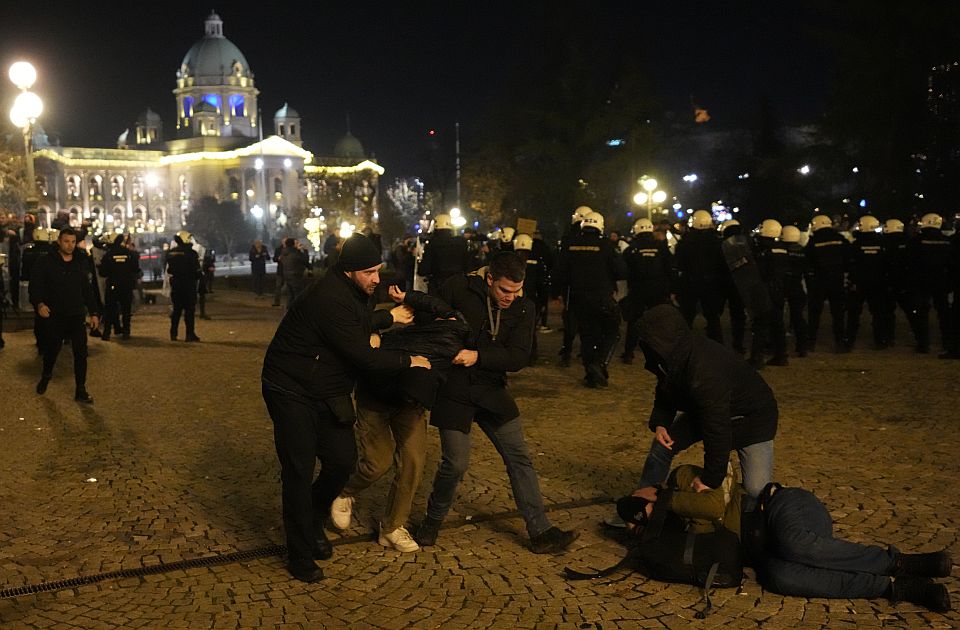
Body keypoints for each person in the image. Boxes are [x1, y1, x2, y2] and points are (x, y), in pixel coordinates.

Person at [261, 234, 432, 582]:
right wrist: (408, 359)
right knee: (298, 469)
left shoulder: (357, 292)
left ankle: (312, 520)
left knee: (341, 463)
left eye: (378, 270)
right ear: (349, 271)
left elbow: (356, 326)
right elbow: (362, 355)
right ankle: (299, 553)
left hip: (328, 388)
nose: (377, 279)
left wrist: (387, 319)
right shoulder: (329, 297)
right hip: (290, 388)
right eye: (370, 272)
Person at [618, 464, 952, 613]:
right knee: (780, 576)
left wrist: (663, 502)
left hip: (782, 507)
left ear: (653, 491)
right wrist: (651, 531)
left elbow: (715, 502)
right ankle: (897, 588)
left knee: (796, 544)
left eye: (642, 500)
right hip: (770, 553)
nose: (643, 513)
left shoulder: (684, 477)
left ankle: (902, 561)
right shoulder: (675, 533)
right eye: (637, 522)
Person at [414, 251, 578, 554]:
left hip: (491, 391)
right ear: (489, 279)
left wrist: (479, 357)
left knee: (519, 457)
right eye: (504, 290)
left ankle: (540, 530)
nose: (511, 297)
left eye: (517, 290)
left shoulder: (524, 307)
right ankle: (431, 522)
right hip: (453, 390)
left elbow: (518, 356)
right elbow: (428, 319)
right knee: (456, 463)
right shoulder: (458, 288)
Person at [330, 285, 469, 552]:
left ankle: (392, 527)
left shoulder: (449, 328)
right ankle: (345, 492)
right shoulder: (389, 318)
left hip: (410, 404)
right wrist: (381, 340)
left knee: (413, 463)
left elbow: (442, 309)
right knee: (376, 463)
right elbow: (358, 343)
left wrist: (408, 297)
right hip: (376, 398)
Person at [634, 303, 777, 498]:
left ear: (663, 340)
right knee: (661, 447)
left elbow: (717, 429)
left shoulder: (704, 370)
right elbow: (666, 390)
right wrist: (661, 423)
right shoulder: (672, 356)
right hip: (705, 410)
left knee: (756, 490)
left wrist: (710, 479)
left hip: (753, 418)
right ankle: (642, 499)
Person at [554, 211, 627, 388]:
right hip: (602, 297)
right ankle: (600, 362)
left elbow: (559, 271)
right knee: (612, 331)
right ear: (600, 226)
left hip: (579, 298)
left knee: (587, 336)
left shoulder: (569, 244)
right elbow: (621, 271)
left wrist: (559, 293)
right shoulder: (606, 245)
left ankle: (590, 374)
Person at [30, 227, 100, 404]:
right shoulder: (46, 261)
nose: (70, 245)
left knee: (81, 353)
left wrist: (94, 313)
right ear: (59, 242)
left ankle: (81, 389)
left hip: (76, 314)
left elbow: (86, 289)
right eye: (66, 241)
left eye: (73, 242)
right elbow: (36, 285)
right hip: (55, 315)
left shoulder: (80, 261)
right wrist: (39, 304)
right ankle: (46, 375)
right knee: (52, 350)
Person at [620, 218, 673, 365]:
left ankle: (629, 353)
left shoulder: (632, 249)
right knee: (658, 321)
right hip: (658, 290)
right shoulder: (661, 247)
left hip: (638, 289)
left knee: (634, 321)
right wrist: (670, 289)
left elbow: (624, 270)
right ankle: (660, 351)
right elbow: (669, 267)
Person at [675, 210, 727, 344]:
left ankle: (682, 344)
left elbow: (679, 263)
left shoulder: (686, 241)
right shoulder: (717, 241)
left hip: (690, 282)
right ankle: (716, 344)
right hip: (711, 283)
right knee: (712, 316)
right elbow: (722, 263)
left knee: (687, 315)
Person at [906, 213, 953, 354]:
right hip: (942, 281)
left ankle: (923, 344)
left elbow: (909, 262)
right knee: (944, 313)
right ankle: (947, 342)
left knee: (921, 313)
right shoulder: (947, 241)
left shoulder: (916, 241)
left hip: (921, 282)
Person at [805, 214, 852, 353]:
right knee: (838, 313)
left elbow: (808, 259)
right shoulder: (839, 238)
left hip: (819, 281)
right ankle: (840, 342)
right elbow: (848, 256)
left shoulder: (814, 241)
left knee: (814, 313)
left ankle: (811, 341)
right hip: (836, 280)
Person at [557, 206, 592, 367]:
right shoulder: (596, 239)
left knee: (570, 321)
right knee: (588, 323)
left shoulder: (569, 238)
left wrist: (559, 289)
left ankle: (567, 351)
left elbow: (561, 265)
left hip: (572, 287)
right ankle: (587, 353)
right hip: (592, 288)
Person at [754, 219, 790, 366]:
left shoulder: (764, 250)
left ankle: (757, 358)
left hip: (767, 290)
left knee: (761, 324)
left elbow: (761, 272)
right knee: (778, 324)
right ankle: (781, 355)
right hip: (780, 290)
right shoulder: (782, 248)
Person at [879, 219, 915, 349]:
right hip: (904, 282)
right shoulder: (908, 242)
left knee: (888, 312)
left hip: (888, 281)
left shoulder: (885, 242)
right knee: (911, 311)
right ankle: (921, 339)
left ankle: (888, 339)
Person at [98, 232, 140, 341]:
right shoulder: (129, 253)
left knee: (110, 309)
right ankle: (126, 332)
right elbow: (135, 269)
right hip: (126, 286)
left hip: (112, 286)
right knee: (126, 310)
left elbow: (103, 272)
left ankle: (106, 333)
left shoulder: (108, 255)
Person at [417, 214, 470, 296]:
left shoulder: (432, 243)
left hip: (438, 288)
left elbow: (424, 269)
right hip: (458, 287)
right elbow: (468, 265)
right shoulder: (461, 243)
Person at [166, 231, 202, 342]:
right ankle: (189, 334)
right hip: (188, 285)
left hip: (176, 285)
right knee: (189, 311)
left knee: (176, 310)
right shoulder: (192, 253)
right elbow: (197, 271)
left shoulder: (171, 253)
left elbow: (169, 269)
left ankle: (173, 333)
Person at [779, 226, 809, 357]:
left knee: (778, 317)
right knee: (798, 318)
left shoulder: (781, 250)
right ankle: (802, 346)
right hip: (797, 287)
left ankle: (779, 347)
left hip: (782, 286)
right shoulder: (803, 251)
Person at [279, 237, 310, 308]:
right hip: (296, 276)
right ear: (293, 244)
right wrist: (305, 251)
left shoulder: (284, 253)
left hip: (287, 275)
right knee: (297, 294)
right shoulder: (295, 253)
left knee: (290, 295)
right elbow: (305, 260)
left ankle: (288, 310)